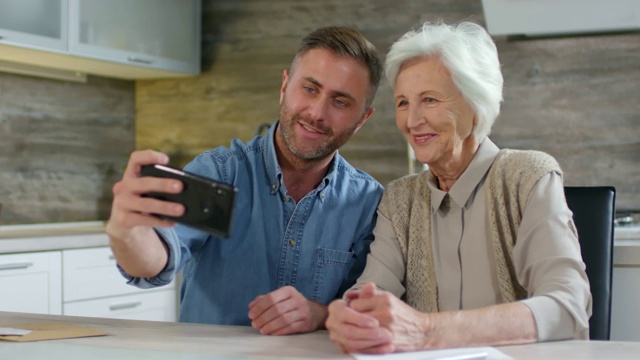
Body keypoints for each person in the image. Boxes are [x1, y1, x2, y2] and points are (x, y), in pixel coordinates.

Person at [325, 20, 591, 354]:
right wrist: (351, 316)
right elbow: (372, 292)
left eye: (430, 100)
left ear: (475, 105)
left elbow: (567, 307)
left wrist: (428, 330)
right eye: (403, 102)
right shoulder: (399, 199)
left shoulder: (529, 177)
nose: (412, 120)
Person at [105, 26, 384, 336]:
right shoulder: (219, 173)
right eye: (309, 89)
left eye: (340, 102)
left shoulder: (369, 203)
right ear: (284, 86)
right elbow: (155, 261)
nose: (317, 112)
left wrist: (320, 314)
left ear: (362, 120)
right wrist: (127, 232)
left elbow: (369, 311)